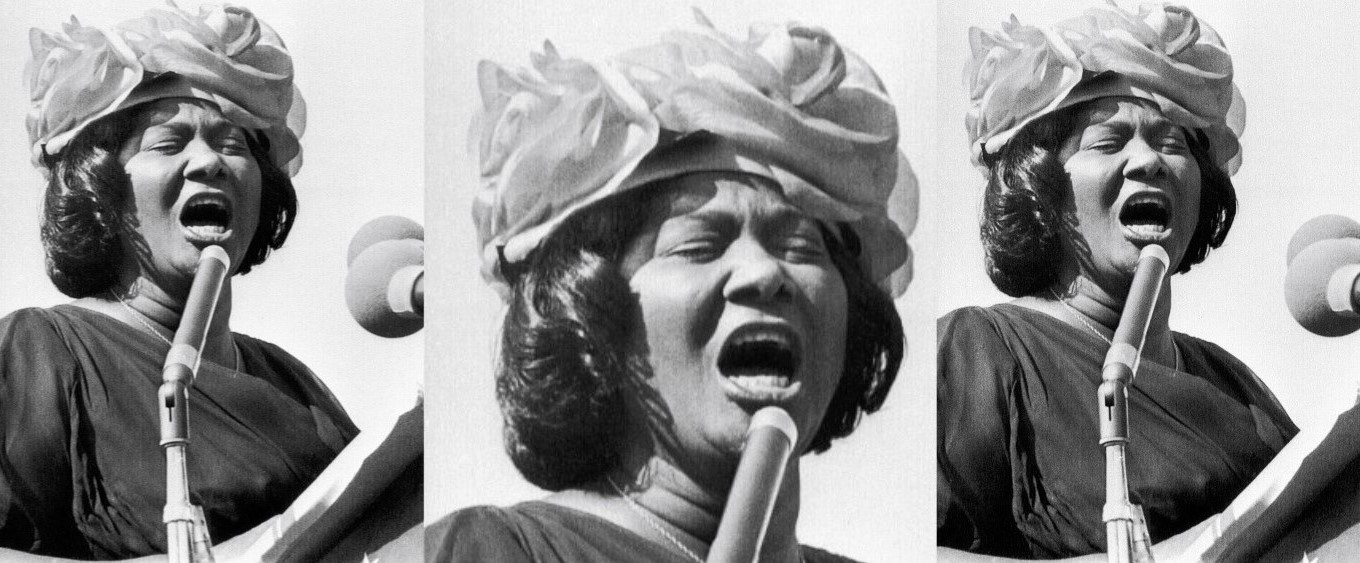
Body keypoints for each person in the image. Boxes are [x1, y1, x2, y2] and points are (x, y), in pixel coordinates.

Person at [426, 14, 915, 563]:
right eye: (698, 246)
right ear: (592, 314)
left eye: (800, 249)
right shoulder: (482, 552)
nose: (763, 273)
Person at [936, 3, 1298, 559]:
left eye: (1171, 142)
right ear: (1041, 188)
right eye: (1107, 142)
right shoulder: (977, 354)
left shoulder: (1236, 387)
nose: (1147, 161)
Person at [0, 4, 357, 559]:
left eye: (233, 144)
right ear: (101, 191)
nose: (209, 162)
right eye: (168, 144)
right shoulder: (39, 355)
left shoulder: (296, 386)